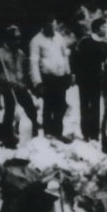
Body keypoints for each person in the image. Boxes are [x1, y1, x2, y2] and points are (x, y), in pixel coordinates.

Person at [29, 14, 72, 142]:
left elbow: (65, 56)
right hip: (47, 78)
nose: (52, 28)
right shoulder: (36, 40)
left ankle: (58, 132)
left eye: (53, 25)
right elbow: (33, 62)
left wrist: (68, 73)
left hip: (60, 76)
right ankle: (48, 133)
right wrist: (37, 82)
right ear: (44, 26)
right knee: (48, 106)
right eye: (49, 25)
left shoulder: (59, 37)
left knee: (61, 105)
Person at [69, 17, 107, 142]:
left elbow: (106, 63)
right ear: (97, 29)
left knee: (96, 106)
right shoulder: (84, 42)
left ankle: (94, 134)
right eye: (103, 27)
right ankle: (85, 133)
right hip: (84, 79)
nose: (106, 29)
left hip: (97, 80)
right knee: (85, 106)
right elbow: (74, 59)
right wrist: (74, 74)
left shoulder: (105, 45)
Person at [0, 25, 40, 139]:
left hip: (20, 87)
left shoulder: (21, 53)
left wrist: (30, 85)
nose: (17, 41)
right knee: (10, 112)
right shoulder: (0, 53)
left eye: (18, 39)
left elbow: (25, 72)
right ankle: (7, 137)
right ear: (8, 39)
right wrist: (1, 80)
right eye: (14, 39)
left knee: (31, 109)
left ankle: (34, 133)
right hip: (8, 88)